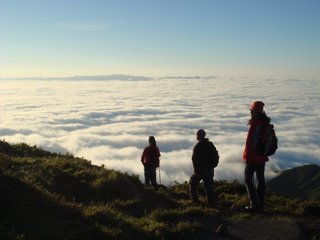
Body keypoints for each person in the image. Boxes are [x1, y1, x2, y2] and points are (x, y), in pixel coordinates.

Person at [243, 101, 271, 212]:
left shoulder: (256, 124)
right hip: (262, 156)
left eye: (251, 110)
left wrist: (248, 156)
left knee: (248, 179)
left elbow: (252, 142)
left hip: (253, 157)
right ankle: (261, 203)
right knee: (260, 179)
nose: (250, 112)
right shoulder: (265, 122)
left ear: (255, 111)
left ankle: (254, 204)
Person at [189, 129, 219, 206]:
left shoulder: (198, 146)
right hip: (210, 170)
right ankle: (211, 203)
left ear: (198, 136)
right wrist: (213, 166)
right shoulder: (210, 144)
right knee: (209, 186)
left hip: (201, 170)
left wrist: (196, 171)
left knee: (192, 183)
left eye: (197, 135)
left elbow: (194, 159)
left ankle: (195, 201)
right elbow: (216, 155)